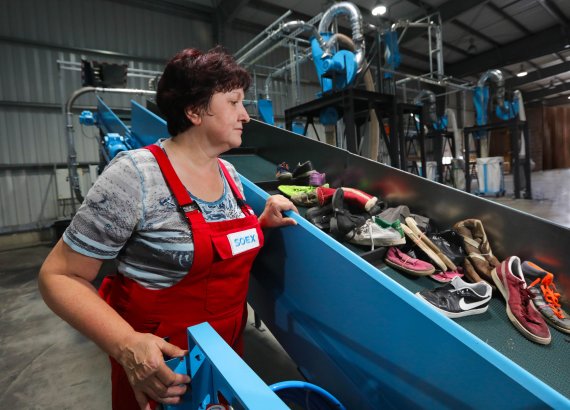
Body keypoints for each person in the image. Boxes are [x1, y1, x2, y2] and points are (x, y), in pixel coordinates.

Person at [38, 46, 298, 410]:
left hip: (227, 355)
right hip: (161, 370)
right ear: (194, 111)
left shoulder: (230, 176)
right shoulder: (135, 176)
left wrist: (259, 224)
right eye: (234, 102)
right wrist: (126, 344)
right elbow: (58, 277)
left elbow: (206, 250)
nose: (245, 115)